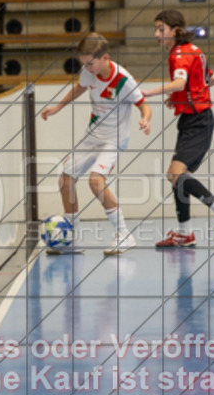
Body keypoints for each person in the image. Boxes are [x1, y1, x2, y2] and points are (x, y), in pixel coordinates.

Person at [41, 33, 152, 255]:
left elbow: (143, 104)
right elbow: (80, 87)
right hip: (92, 135)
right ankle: (73, 239)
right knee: (65, 180)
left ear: (105, 58)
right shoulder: (88, 71)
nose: (87, 67)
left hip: (114, 138)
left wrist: (145, 120)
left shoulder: (123, 79)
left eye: (90, 63)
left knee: (95, 181)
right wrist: (58, 107)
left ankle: (124, 235)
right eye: (84, 63)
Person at [140, 9, 214, 248]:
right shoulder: (193, 50)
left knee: (175, 175)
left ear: (175, 31)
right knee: (177, 176)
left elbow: (180, 82)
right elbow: (210, 79)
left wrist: (149, 92)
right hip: (194, 119)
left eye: (160, 29)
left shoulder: (178, 54)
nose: (156, 34)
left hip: (197, 121)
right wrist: (181, 97)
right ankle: (185, 233)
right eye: (156, 29)